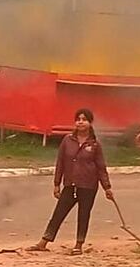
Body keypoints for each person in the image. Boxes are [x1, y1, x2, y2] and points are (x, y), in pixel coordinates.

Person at [27, 109, 114, 255]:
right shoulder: (67, 141)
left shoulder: (95, 144)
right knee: (58, 213)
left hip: (88, 186)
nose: (80, 122)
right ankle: (43, 242)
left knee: (83, 214)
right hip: (70, 185)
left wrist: (107, 187)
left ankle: (78, 245)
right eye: (78, 119)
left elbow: (101, 167)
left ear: (90, 123)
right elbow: (60, 163)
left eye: (84, 119)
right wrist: (56, 184)